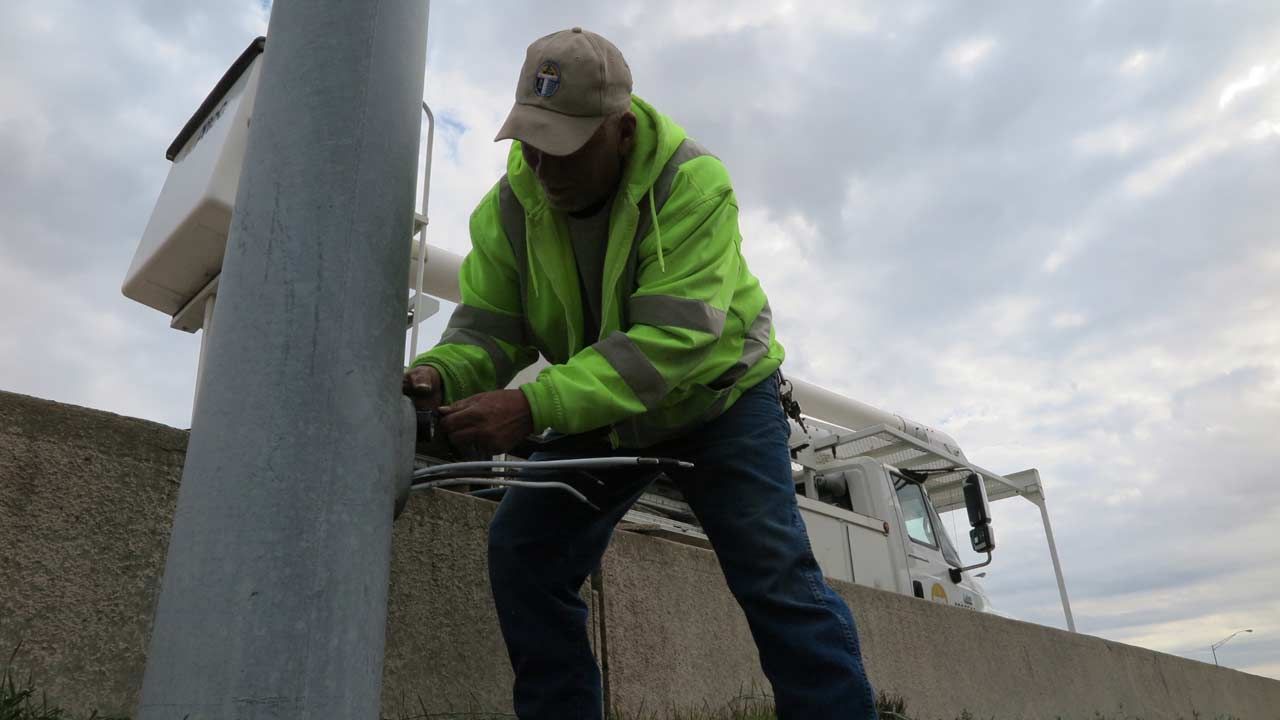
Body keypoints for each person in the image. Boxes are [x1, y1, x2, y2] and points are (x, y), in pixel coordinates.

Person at [403, 27, 878, 720]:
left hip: (721, 406)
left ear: (620, 131)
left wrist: (532, 408)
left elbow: (674, 341)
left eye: (563, 147)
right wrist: (440, 374)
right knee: (524, 550)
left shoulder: (693, 183)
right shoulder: (508, 210)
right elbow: (489, 330)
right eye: (529, 141)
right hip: (602, 407)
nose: (542, 166)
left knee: (776, 580)